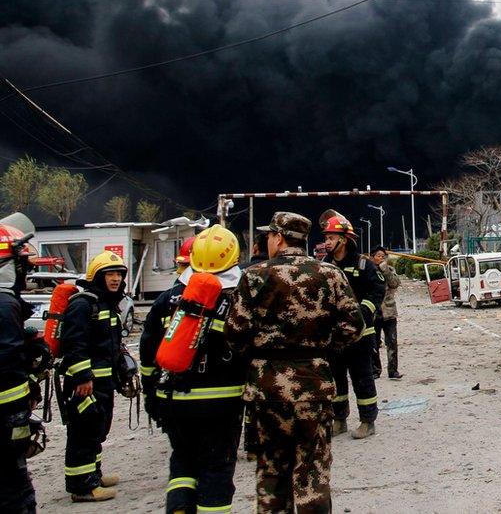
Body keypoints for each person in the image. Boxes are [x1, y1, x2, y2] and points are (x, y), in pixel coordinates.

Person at [226, 212, 364, 512]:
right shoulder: (329, 274)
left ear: (278, 237)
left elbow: (234, 335)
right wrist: (321, 350)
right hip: (313, 386)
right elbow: (354, 326)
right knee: (313, 470)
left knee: (272, 471)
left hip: (267, 390)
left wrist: (261, 354)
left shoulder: (254, 276)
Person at [143, 226, 246, 514]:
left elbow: (148, 353)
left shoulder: (168, 298)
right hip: (221, 405)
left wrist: (151, 395)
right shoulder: (237, 300)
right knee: (216, 469)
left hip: (173, 399)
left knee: (183, 461)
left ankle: (178, 508)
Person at [59, 251, 128, 502]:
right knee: (84, 431)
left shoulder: (105, 304)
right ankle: (82, 486)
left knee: (98, 428)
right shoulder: (82, 304)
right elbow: (74, 344)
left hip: (102, 382)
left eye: (119, 274)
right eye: (110, 274)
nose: (115, 279)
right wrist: (83, 377)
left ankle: (93, 475)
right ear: (97, 276)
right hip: (85, 384)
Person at [319, 211, 384, 439]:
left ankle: (367, 421)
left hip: (360, 334)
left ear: (343, 239)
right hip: (334, 336)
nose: (327, 242)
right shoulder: (324, 266)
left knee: (362, 378)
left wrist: (363, 312)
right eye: (325, 237)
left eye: (330, 238)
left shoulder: (363, 264)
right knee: (336, 380)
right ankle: (339, 420)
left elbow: (377, 290)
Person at [0, 214, 45, 514]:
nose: (24, 271)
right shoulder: (4, 305)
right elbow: (6, 367)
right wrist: (19, 417)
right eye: (21, 265)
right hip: (4, 421)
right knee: (16, 495)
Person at [139, 235, 194, 404]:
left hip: (173, 393)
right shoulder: (228, 298)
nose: (180, 271)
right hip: (222, 401)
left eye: (184, 266)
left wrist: (149, 391)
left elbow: (148, 347)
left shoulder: (166, 299)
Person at [369, 246, 402, 380]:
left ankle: (393, 370)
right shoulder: (368, 271)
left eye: (383, 256)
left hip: (389, 312)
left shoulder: (390, 270)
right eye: (378, 255)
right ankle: (376, 370)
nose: (381, 258)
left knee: (392, 342)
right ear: (372, 257)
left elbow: (394, 284)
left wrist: (385, 270)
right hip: (374, 312)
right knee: (374, 343)